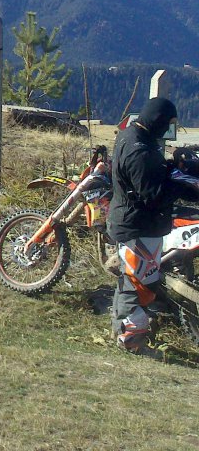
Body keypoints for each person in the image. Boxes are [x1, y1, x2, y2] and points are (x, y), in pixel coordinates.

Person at [108, 96, 178, 360]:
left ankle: (120, 332)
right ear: (158, 120)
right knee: (139, 285)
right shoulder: (140, 150)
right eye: (168, 123)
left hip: (130, 221)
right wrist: (182, 187)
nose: (168, 129)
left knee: (130, 280)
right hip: (138, 226)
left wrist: (169, 169)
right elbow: (153, 194)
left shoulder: (132, 136)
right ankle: (131, 342)